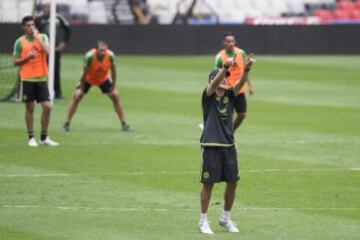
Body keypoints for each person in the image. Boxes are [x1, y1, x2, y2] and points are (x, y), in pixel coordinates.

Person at [198, 53, 255, 234]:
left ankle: (225, 218)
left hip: (229, 145)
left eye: (225, 78)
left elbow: (240, 84)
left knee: (233, 182)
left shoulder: (230, 95)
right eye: (220, 78)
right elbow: (214, 84)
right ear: (211, 80)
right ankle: (203, 221)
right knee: (209, 184)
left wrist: (246, 69)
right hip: (211, 145)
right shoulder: (207, 95)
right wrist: (225, 69)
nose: (224, 81)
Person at [61, 41, 132, 132]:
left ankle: (124, 124)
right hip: (88, 78)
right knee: (77, 96)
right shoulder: (89, 56)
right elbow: (84, 73)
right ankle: (66, 124)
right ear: (96, 50)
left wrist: (113, 86)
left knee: (115, 96)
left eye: (104, 50)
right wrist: (81, 88)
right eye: (100, 50)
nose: (103, 52)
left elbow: (114, 71)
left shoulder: (110, 56)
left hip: (103, 78)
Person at [13, 16, 59, 147]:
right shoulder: (19, 42)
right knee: (30, 108)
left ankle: (44, 138)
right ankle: (31, 137)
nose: (30, 27)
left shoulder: (42, 37)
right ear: (23, 27)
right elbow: (15, 62)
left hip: (41, 78)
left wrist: (38, 38)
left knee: (48, 106)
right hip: (27, 78)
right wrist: (27, 57)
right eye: (28, 25)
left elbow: (48, 51)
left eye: (32, 25)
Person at [215, 32, 255, 131]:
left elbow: (245, 70)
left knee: (242, 114)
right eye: (228, 41)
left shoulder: (241, 53)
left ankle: (230, 132)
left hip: (239, 90)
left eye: (233, 41)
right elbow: (215, 75)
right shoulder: (220, 57)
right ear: (224, 43)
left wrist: (250, 86)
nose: (231, 43)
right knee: (226, 116)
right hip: (226, 91)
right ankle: (221, 133)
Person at [35, 2, 71, 99]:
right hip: (42, 49)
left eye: (48, 7)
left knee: (55, 70)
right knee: (41, 70)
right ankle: (40, 92)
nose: (45, 8)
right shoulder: (38, 19)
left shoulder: (58, 18)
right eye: (44, 7)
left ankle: (57, 93)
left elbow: (68, 29)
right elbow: (34, 33)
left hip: (55, 49)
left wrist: (63, 42)